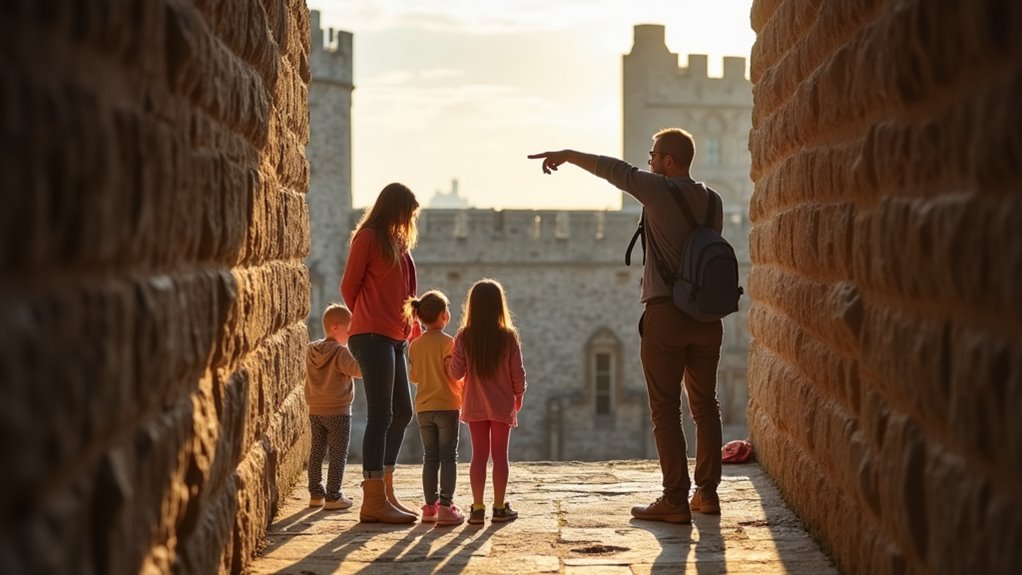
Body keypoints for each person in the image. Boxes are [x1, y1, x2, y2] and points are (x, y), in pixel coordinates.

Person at [528, 128, 725, 524]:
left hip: (666, 314)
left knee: (665, 408)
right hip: (707, 318)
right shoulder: (713, 200)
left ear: (669, 161)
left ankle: (673, 498)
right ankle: (706, 493)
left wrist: (567, 152)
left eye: (653, 155)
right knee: (706, 405)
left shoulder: (657, 189)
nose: (649, 161)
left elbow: (612, 170)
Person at [340, 182, 421, 524]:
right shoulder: (368, 238)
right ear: (395, 209)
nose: (409, 222)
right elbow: (349, 287)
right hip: (371, 336)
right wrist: (369, 316)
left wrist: (407, 328)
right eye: (407, 214)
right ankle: (372, 498)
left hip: (394, 337)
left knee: (402, 412)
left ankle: (385, 490)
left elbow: (405, 291)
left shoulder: (398, 243)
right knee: (380, 415)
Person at [447, 279, 527, 525]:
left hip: (474, 404)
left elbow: (456, 373)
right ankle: (500, 507)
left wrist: (447, 362)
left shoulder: (464, 337)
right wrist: (519, 395)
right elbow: (518, 373)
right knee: (500, 456)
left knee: (478, 456)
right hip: (502, 404)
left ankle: (478, 507)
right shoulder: (508, 337)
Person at [405, 289, 466, 526]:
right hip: (447, 405)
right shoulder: (449, 342)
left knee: (429, 458)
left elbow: (415, 377)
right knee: (448, 456)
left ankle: (429, 507)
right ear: (444, 315)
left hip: (424, 407)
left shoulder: (415, 345)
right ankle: (445, 505)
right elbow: (454, 373)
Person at [305, 303, 362, 511]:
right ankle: (333, 495)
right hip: (338, 410)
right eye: (349, 330)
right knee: (338, 453)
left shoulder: (311, 349)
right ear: (336, 327)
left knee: (317, 451)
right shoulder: (340, 352)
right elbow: (358, 371)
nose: (350, 334)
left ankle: (315, 494)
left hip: (315, 409)